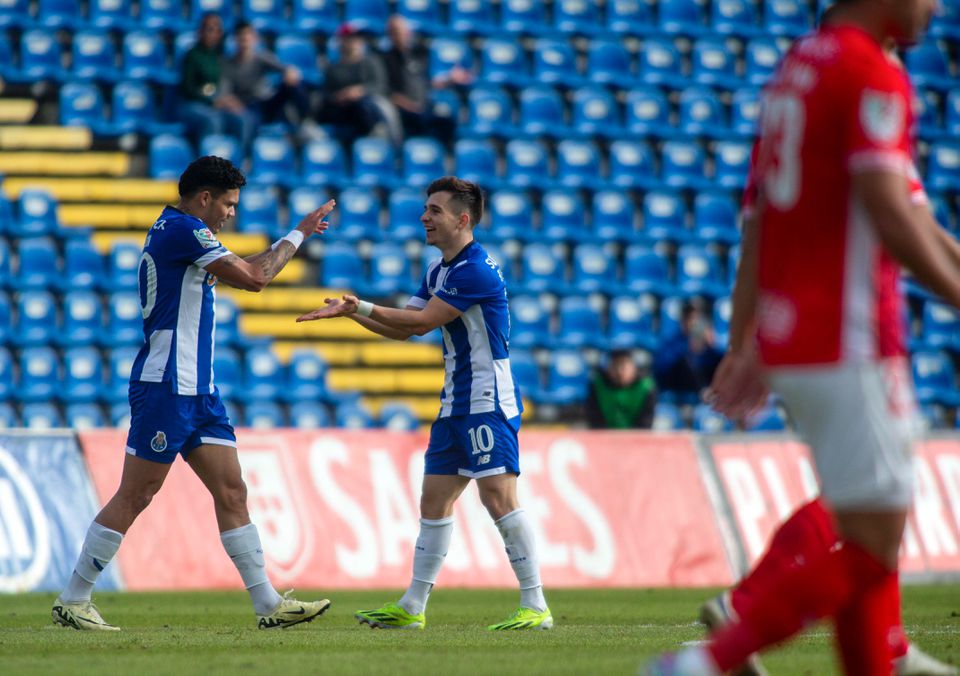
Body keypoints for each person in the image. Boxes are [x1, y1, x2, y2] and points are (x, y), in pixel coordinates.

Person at [643, 0, 948, 673]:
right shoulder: (871, 73)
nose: (935, 7)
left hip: (801, 336)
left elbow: (758, 221)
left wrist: (746, 333)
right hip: (852, 335)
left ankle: (876, 653)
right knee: (870, 542)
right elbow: (895, 217)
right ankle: (707, 658)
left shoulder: (795, 71)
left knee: (858, 521)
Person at [51, 156, 337, 632]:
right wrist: (299, 233)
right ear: (204, 198)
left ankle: (267, 603)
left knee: (232, 489)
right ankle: (73, 598)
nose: (230, 214)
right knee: (138, 492)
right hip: (167, 386)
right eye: (227, 204)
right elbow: (255, 278)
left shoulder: (179, 230)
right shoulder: (183, 229)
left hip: (199, 390)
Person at [296, 176, 552, 631]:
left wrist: (362, 306)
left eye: (434, 210)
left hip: (487, 399)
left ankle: (536, 605)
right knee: (434, 501)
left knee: (498, 497)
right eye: (426, 208)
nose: (424, 217)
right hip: (456, 400)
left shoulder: (475, 268)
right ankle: (413, 606)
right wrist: (355, 312)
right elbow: (405, 326)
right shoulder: (440, 269)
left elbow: (421, 323)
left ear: (463, 218)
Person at [221, 21, 312, 147]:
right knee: (247, 121)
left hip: (266, 103)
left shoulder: (261, 57)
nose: (245, 40)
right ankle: (247, 155)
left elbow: (287, 69)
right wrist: (230, 101)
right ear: (236, 40)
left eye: (248, 36)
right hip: (247, 106)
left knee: (292, 84)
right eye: (241, 36)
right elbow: (225, 91)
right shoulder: (228, 64)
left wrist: (289, 73)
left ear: (254, 38)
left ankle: (306, 122)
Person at [377, 14, 459, 145]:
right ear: (390, 34)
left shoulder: (419, 54)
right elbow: (386, 91)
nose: (401, 35)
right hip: (401, 110)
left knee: (447, 121)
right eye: (396, 32)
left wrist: (449, 79)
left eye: (404, 31)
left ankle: (445, 156)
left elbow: (426, 82)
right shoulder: (384, 59)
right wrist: (408, 105)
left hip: (423, 107)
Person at [317, 22, 400, 145]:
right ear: (341, 41)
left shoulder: (372, 62)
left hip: (366, 110)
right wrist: (341, 96)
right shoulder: (333, 68)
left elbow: (380, 86)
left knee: (368, 105)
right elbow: (326, 95)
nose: (354, 42)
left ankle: (377, 139)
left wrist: (360, 91)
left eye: (357, 38)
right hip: (341, 111)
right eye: (349, 38)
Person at [178, 14, 248, 145]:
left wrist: (228, 100)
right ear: (201, 31)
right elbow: (188, 89)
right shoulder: (192, 55)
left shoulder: (220, 57)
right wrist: (212, 101)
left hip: (216, 103)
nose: (213, 33)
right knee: (213, 120)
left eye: (217, 30)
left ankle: (241, 159)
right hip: (192, 104)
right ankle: (208, 162)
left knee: (241, 120)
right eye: (209, 29)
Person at [652, 299, 724, 398]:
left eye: (697, 319)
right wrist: (688, 348)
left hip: (703, 377)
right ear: (683, 320)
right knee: (686, 360)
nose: (693, 323)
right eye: (690, 318)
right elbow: (662, 367)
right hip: (678, 382)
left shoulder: (705, 342)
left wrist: (712, 345)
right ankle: (704, 392)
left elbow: (717, 359)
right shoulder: (673, 340)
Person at [584, 349, 656, 429]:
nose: (619, 372)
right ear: (608, 368)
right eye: (615, 365)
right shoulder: (598, 384)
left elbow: (645, 422)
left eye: (624, 366)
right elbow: (594, 419)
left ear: (634, 368)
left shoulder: (645, 386)